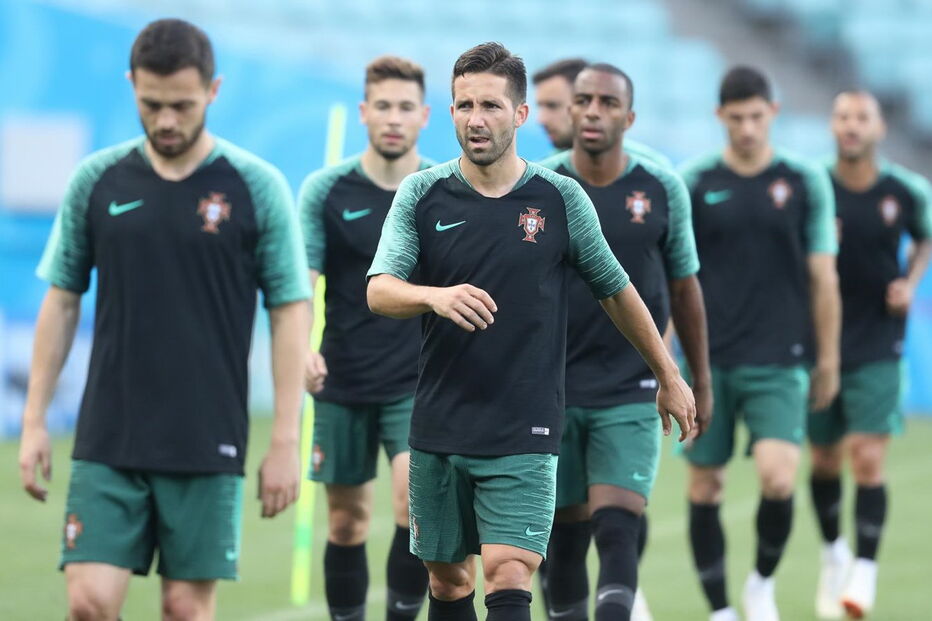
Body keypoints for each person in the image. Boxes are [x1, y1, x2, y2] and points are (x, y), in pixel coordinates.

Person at [366, 41, 696, 621]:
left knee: (509, 570)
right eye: (465, 105)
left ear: (520, 114)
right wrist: (434, 295)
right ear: (451, 111)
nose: (476, 119)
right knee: (448, 580)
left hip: (527, 424)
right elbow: (380, 289)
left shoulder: (560, 198)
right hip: (441, 423)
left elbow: (616, 290)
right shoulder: (421, 193)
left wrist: (668, 375)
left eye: (491, 105)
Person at [17, 19, 310, 621]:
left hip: (207, 435)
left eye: (182, 104)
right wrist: (34, 420)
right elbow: (62, 300)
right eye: (152, 104)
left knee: (184, 609)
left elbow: (289, 310)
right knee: (89, 604)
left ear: (213, 90)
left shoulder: (257, 187)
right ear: (131, 85)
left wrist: (285, 439)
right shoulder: (96, 180)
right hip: (109, 433)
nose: (167, 120)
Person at [539, 62, 712, 621]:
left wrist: (695, 380)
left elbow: (685, 288)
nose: (593, 111)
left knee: (618, 526)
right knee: (564, 541)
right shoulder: (538, 187)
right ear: (570, 110)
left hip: (633, 388)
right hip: (552, 390)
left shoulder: (661, 187)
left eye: (608, 103)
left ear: (629, 118)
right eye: (584, 100)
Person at [678, 66, 841, 621]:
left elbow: (823, 276)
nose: (747, 128)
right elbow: (675, 279)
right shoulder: (694, 181)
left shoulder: (804, 180)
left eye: (756, 116)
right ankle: (720, 609)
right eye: (736, 118)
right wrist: (667, 364)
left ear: (773, 112)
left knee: (778, 476)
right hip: (709, 361)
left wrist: (828, 358)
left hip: (781, 356)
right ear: (719, 116)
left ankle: (761, 584)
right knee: (706, 486)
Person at [298, 55, 433, 621]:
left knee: (412, 508)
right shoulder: (326, 190)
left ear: (425, 115)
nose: (393, 118)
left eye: (405, 107)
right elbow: (301, 283)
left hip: (418, 381)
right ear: (363, 112)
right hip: (344, 378)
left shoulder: (440, 189)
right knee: (346, 521)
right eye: (383, 106)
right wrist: (301, 348)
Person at [808, 90, 932, 620]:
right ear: (832, 125)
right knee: (824, 459)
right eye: (842, 116)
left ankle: (865, 566)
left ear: (879, 128)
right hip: (820, 340)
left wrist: (911, 280)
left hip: (880, 338)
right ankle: (833, 551)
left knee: (867, 456)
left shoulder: (905, 190)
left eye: (862, 117)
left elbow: (925, 238)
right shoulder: (813, 186)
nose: (851, 126)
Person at [532, 57, 671, 167]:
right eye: (540, 107)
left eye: (552, 106)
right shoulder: (543, 173)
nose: (541, 119)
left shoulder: (655, 170)